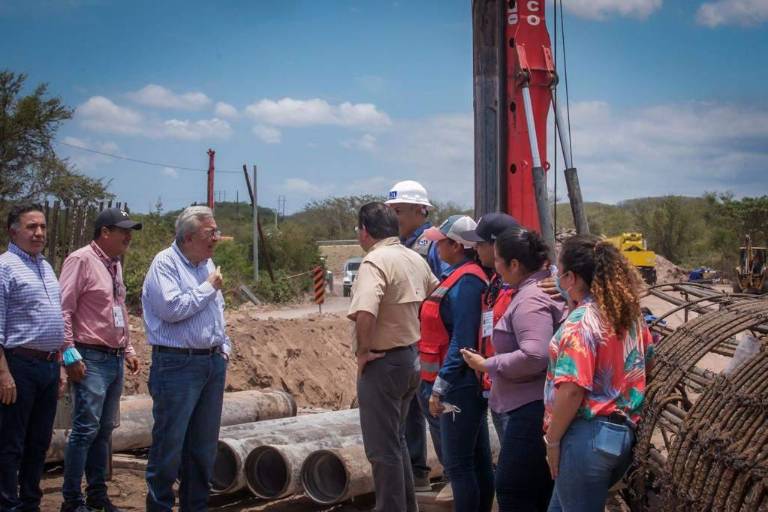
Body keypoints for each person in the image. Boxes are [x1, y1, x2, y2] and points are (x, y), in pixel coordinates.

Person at [543, 235, 654, 512]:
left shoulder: (580, 324)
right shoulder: (627, 315)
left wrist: (553, 441)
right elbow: (647, 360)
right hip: (620, 435)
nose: (556, 277)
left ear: (571, 278)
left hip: (586, 437)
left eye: (560, 271)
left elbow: (572, 389)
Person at [462, 227, 566, 511]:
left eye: (498, 259)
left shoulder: (531, 298)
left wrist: (488, 364)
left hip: (529, 409)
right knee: (537, 489)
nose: (494, 265)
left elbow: (535, 354)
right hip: (532, 405)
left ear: (515, 264)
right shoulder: (537, 289)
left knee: (512, 489)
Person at [348, 202, 438, 512]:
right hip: (410, 359)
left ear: (365, 231)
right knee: (396, 440)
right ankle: (405, 505)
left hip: (382, 363)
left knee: (381, 449)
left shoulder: (375, 262)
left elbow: (365, 311)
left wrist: (362, 352)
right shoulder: (414, 258)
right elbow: (435, 296)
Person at [141, 206, 230, 512]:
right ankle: (160, 507)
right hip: (177, 366)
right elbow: (172, 309)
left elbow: (217, 312)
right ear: (189, 236)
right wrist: (208, 287)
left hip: (211, 363)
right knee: (169, 447)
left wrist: (223, 348)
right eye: (211, 233)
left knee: (203, 449)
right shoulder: (164, 264)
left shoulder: (206, 264)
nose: (216, 238)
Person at [58, 208, 143, 512]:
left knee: (104, 430)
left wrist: (129, 349)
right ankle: (71, 500)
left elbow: (118, 308)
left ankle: (97, 495)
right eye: (123, 231)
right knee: (85, 430)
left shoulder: (114, 265)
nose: (128, 237)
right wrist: (69, 353)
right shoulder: (81, 260)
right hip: (89, 356)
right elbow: (64, 309)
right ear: (105, 232)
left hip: (114, 357)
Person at [421, 215, 493, 512]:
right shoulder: (459, 276)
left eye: (440, 241)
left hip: (458, 387)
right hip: (458, 383)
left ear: (456, 245)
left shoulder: (467, 281)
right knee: (475, 460)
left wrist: (440, 387)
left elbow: (462, 341)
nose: (436, 245)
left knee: (460, 466)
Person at [0, 204, 66, 511]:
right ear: (13, 231)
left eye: (42, 226)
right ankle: (7, 503)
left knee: (39, 442)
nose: (39, 232)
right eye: (31, 227)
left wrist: (61, 364)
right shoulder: (5, 267)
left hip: (49, 366)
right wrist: (3, 373)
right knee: (11, 442)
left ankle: (30, 502)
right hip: (19, 365)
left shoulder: (45, 266)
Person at [385, 179, 445, 491]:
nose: (395, 217)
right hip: (410, 339)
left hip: (431, 342)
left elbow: (446, 291)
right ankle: (416, 472)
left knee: (434, 408)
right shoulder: (402, 245)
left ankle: (451, 474)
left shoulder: (434, 243)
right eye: (392, 211)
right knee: (409, 411)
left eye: (400, 211)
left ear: (421, 210)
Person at [459, 213, 520, 440]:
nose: (475, 249)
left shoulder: (529, 286)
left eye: (480, 243)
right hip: (493, 385)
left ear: (497, 245)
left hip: (515, 393)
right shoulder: (497, 280)